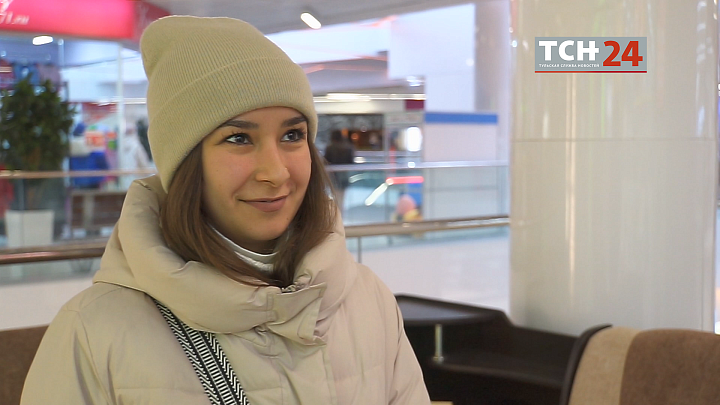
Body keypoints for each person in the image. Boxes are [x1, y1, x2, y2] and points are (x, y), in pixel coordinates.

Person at [21, 16, 430, 405]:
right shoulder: (94, 332)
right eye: (238, 138)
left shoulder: (368, 299)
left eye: (292, 135)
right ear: (184, 163)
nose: (275, 172)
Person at [324, 129, 355, 211]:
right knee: (341, 197)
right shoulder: (348, 147)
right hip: (344, 175)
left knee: (335, 195)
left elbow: (326, 161)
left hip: (333, 175)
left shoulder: (330, 148)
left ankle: (336, 213)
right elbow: (351, 162)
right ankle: (340, 213)